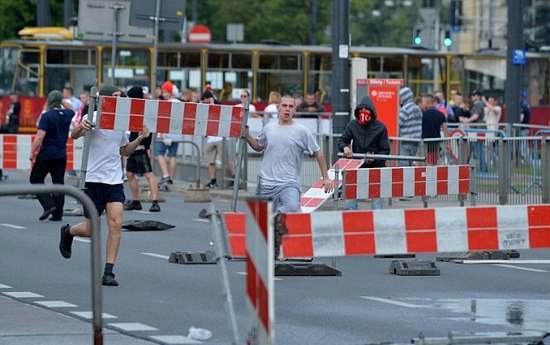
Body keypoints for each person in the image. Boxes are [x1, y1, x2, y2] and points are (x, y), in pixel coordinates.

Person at [59, 85, 150, 287]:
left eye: (121, 97)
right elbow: (74, 135)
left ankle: (108, 272)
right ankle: (69, 231)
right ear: (106, 99)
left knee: (116, 224)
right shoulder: (94, 115)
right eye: (116, 97)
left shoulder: (121, 123)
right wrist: (83, 126)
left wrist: (140, 138)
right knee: (91, 230)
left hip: (114, 181)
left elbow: (124, 152)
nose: (120, 100)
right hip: (92, 180)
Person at [245, 94, 331, 213]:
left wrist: (326, 178)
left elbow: (319, 153)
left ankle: (280, 221)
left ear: (295, 110)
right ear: (277, 107)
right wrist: (248, 135)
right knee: (262, 221)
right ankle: (276, 225)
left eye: (291, 106)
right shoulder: (268, 128)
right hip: (266, 183)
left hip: (289, 183)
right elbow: (258, 146)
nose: (287, 109)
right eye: (284, 105)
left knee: (292, 209)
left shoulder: (302, 131)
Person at [29, 90, 75, 221]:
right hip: (61, 155)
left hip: (47, 154)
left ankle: (48, 205)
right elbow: (72, 108)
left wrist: (32, 151)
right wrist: (62, 100)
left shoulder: (47, 116)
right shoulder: (67, 114)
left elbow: (40, 137)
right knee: (58, 183)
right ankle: (58, 214)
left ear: (49, 101)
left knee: (35, 179)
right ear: (60, 101)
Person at [338, 96, 390, 210]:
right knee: (350, 202)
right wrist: (345, 148)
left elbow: (385, 150)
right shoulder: (352, 125)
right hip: (356, 167)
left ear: (372, 112)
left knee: (377, 203)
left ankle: (377, 223)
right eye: (361, 111)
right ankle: (350, 223)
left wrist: (375, 158)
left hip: (376, 168)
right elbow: (342, 141)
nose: (363, 114)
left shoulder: (380, 127)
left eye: (366, 111)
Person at [123, 86, 160, 212]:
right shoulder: (134, 109)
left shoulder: (144, 110)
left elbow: (149, 130)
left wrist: (147, 147)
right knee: (129, 173)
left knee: (148, 174)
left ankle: (155, 202)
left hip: (140, 146)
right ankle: (135, 201)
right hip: (132, 146)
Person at [203, 90, 236, 188]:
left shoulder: (219, 105)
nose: (205, 101)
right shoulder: (204, 107)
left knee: (225, 159)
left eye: (206, 99)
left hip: (220, 137)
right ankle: (213, 180)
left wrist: (213, 104)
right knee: (211, 161)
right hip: (210, 138)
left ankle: (235, 177)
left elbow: (223, 115)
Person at [155, 81, 183, 185]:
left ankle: (166, 175)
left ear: (171, 92)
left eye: (165, 92)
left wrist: (161, 131)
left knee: (159, 154)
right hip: (177, 135)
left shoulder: (166, 103)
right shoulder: (181, 104)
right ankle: (171, 177)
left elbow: (163, 119)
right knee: (173, 156)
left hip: (165, 134)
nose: (163, 94)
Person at [421, 94, 449, 165]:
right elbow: (445, 129)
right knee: (434, 162)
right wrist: (448, 143)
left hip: (424, 141)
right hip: (436, 142)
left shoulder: (423, 114)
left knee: (424, 162)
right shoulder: (440, 114)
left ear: (427, 103)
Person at [398, 87, 423, 166]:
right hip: (415, 142)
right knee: (410, 165)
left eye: (400, 97)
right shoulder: (417, 108)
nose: (399, 99)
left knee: (403, 166)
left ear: (405, 97)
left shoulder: (405, 109)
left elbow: (398, 123)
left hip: (406, 141)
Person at [519, 92, 532, 165]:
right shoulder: (527, 105)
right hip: (526, 128)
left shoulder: (522, 106)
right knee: (524, 148)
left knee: (523, 149)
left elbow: (521, 118)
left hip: (523, 128)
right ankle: (529, 163)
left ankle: (531, 164)